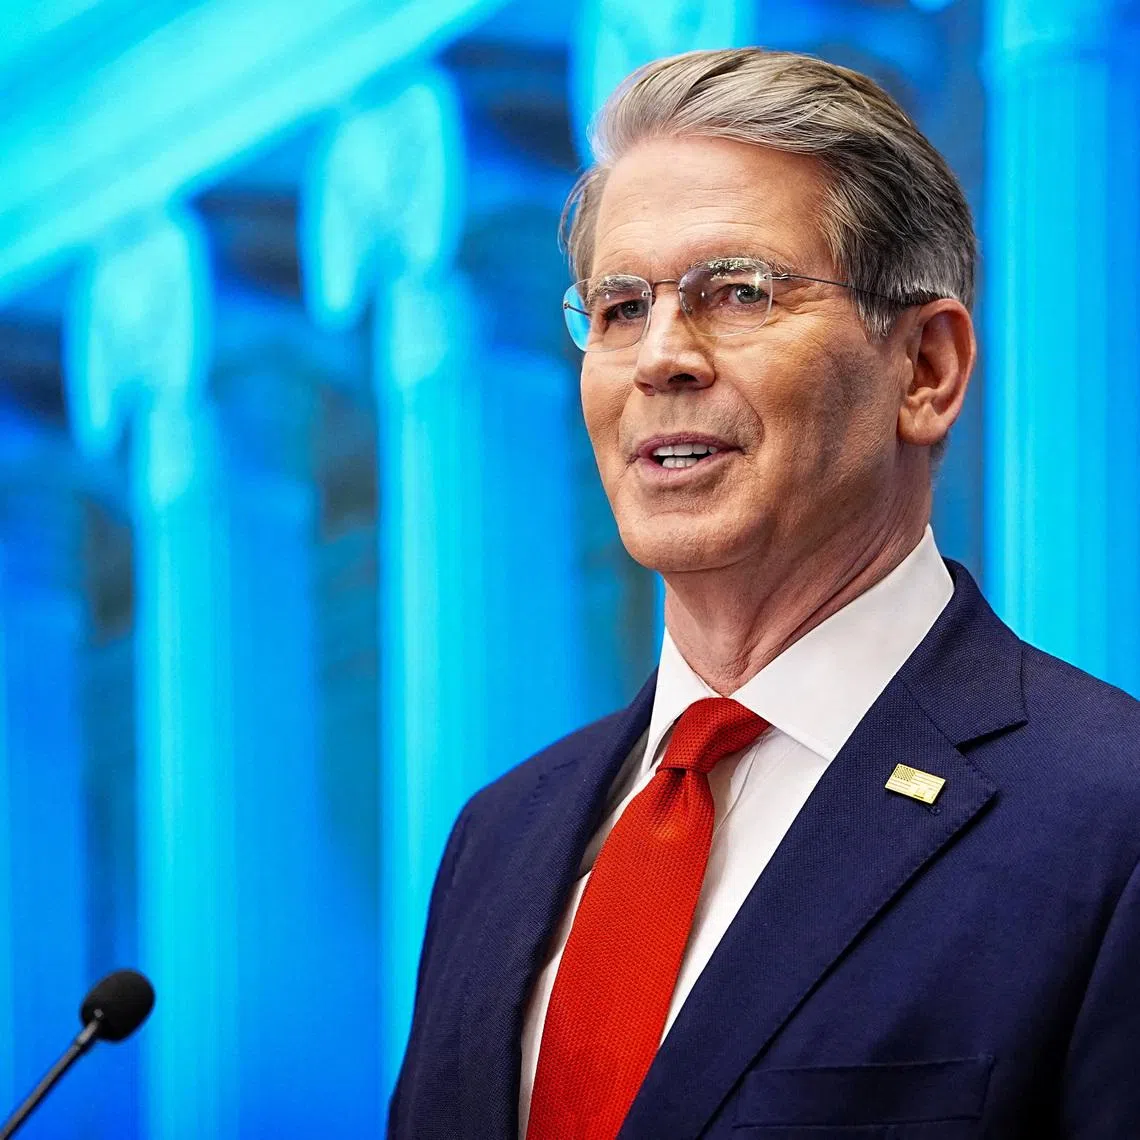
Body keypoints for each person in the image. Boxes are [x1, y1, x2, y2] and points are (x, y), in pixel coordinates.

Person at [388, 48, 1140, 1139]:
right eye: (617, 308)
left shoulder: (1108, 817)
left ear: (925, 369)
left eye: (737, 292)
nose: (660, 360)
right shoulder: (500, 837)